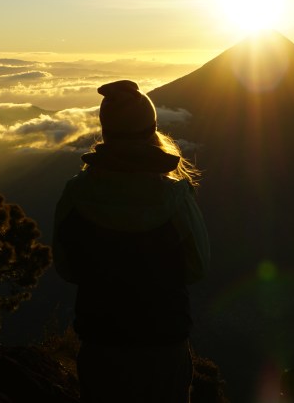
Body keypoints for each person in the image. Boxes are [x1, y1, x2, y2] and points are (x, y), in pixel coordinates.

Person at [52, 80, 210, 403]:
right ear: (152, 130)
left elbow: (67, 268)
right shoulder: (175, 198)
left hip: (101, 343)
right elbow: (197, 268)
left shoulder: (76, 194)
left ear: (105, 130)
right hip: (164, 345)